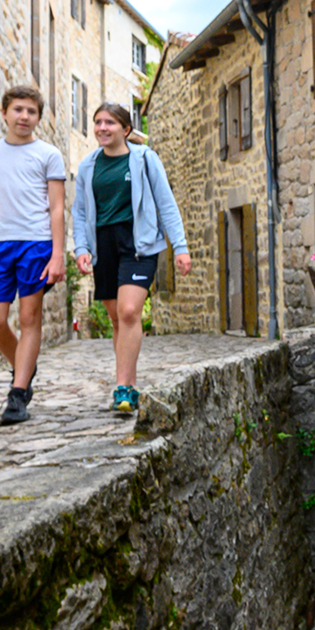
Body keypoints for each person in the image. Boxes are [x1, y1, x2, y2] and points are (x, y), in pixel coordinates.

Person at [71, 103, 189, 415]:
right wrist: (81, 248)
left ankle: (123, 387)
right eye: (98, 122)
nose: (102, 128)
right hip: (103, 245)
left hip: (138, 244)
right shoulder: (87, 166)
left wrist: (180, 247)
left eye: (110, 122)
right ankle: (131, 384)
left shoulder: (145, 159)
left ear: (125, 129)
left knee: (128, 311)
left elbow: (166, 204)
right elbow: (80, 212)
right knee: (116, 319)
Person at [0, 86, 67, 425]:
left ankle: (18, 393)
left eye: (31, 111)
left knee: (30, 319)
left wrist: (57, 255)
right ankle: (25, 366)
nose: (24, 116)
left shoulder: (49, 155)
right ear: (4, 113)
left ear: (38, 117)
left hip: (36, 244)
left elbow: (57, 209)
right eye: (18, 110)